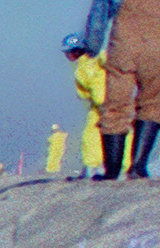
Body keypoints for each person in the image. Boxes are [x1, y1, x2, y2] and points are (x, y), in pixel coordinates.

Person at [81, 0, 160, 179]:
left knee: (115, 103)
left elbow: (99, 14)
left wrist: (92, 48)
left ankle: (112, 170)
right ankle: (138, 166)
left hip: (123, 43)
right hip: (156, 44)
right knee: (153, 101)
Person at [68, 34, 113, 176]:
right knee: (94, 133)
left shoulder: (86, 65)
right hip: (104, 102)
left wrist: (101, 102)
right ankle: (96, 166)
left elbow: (94, 86)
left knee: (94, 134)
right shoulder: (92, 60)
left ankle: (94, 166)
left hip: (103, 102)